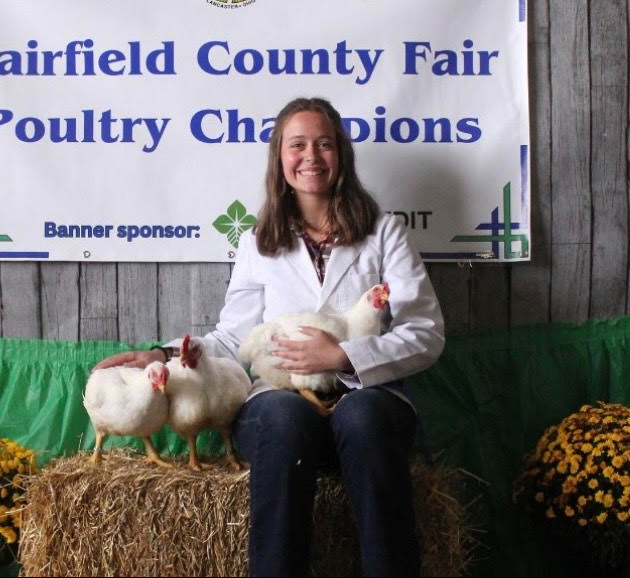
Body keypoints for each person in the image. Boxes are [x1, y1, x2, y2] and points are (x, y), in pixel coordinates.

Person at [94, 97, 445, 577]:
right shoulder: (259, 240)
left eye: (324, 144)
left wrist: (345, 354)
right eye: (297, 145)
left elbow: (425, 332)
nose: (311, 156)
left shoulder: (384, 233)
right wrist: (162, 354)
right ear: (280, 159)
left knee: (363, 417)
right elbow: (234, 337)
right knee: (280, 418)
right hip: (284, 399)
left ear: (341, 154)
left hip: (369, 397)